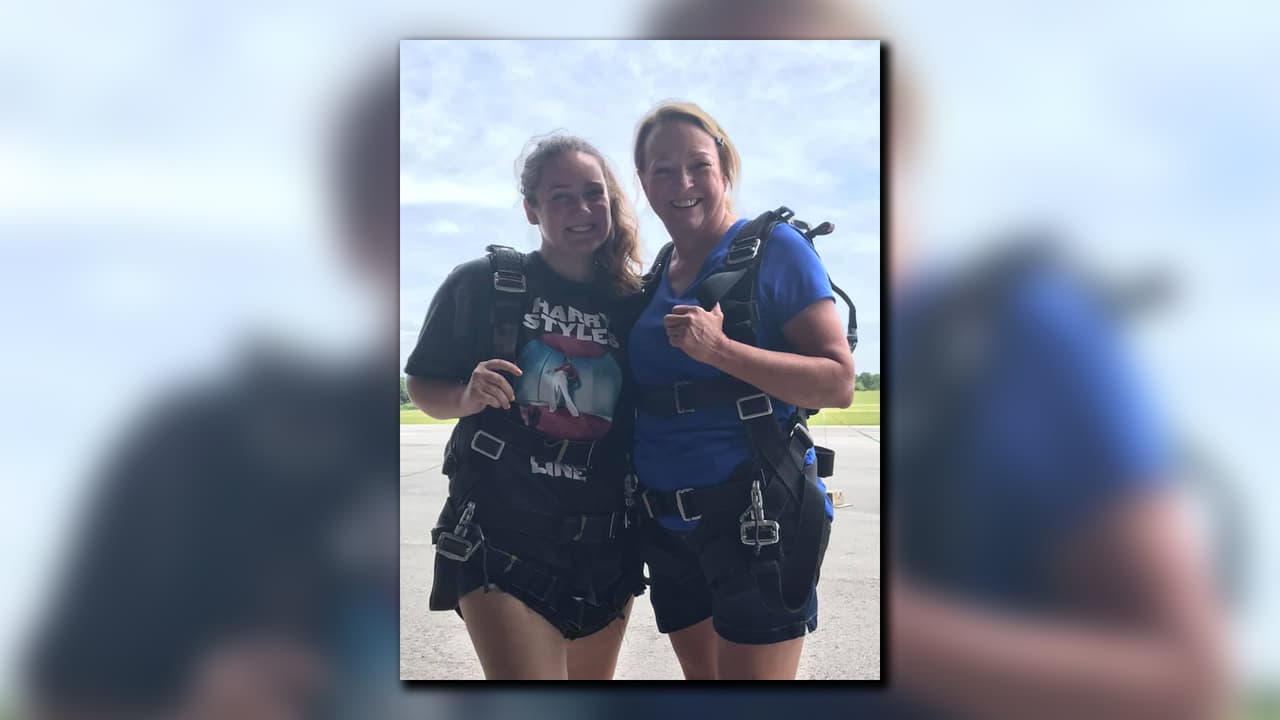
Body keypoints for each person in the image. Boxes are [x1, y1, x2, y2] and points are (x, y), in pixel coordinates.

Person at [626, 101, 856, 680]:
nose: (682, 183)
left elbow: (838, 380)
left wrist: (721, 352)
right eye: (661, 170)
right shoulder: (658, 271)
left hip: (756, 523)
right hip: (670, 528)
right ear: (644, 184)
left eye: (698, 165)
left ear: (725, 170)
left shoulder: (775, 249)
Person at [403, 134, 646, 680]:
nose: (582, 209)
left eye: (594, 193)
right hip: (500, 537)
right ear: (531, 209)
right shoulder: (484, 284)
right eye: (561, 196)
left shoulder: (633, 304)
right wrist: (466, 396)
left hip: (605, 544)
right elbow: (421, 383)